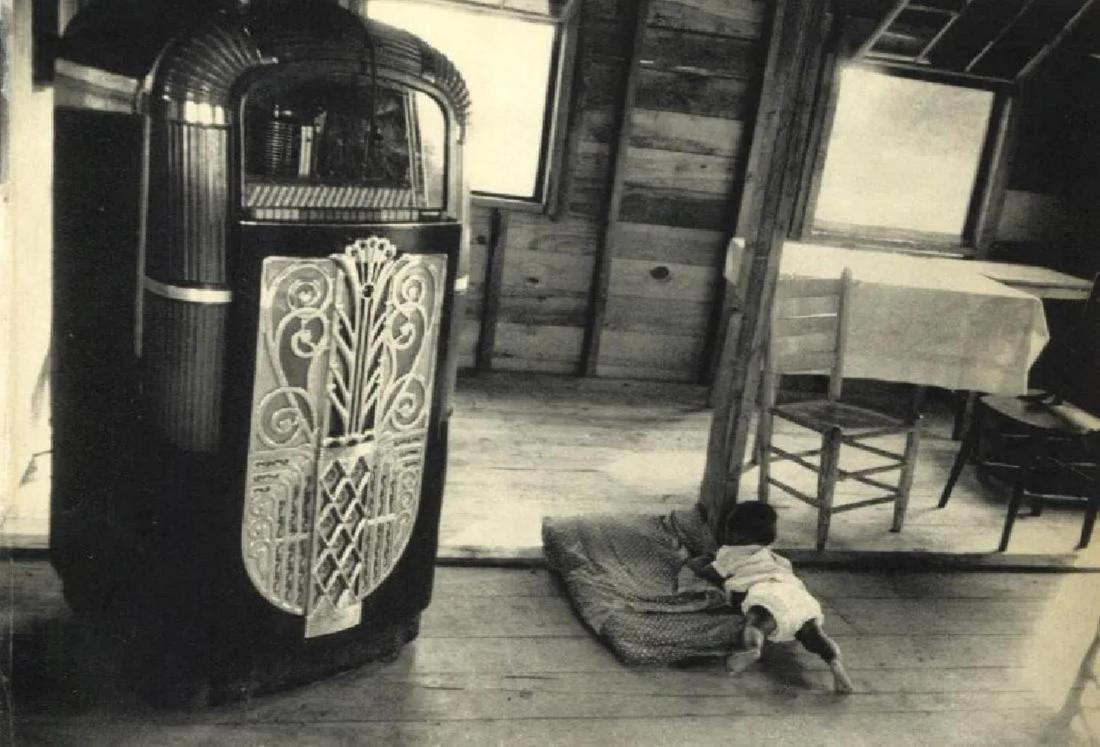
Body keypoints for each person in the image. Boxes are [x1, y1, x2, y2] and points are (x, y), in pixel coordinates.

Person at [687, 501, 853, 693]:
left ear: (732, 533)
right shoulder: (777, 558)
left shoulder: (730, 554)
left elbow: (707, 573)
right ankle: (834, 661)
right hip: (796, 593)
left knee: (758, 621)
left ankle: (753, 649)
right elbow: (789, 574)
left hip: (764, 589)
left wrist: (695, 562)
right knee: (812, 632)